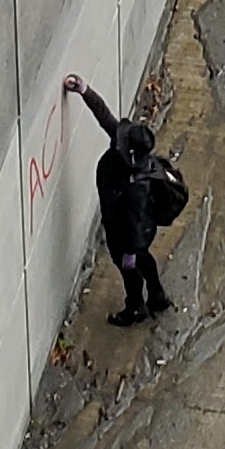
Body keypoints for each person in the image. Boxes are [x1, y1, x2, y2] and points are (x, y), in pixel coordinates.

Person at [60, 76, 184, 325]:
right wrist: (85, 91)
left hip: (129, 234)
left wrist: (128, 252)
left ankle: (136, 306)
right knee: (143, 257)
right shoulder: (128, 156)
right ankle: (157, 296)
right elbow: (106, 118)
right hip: (135, 229)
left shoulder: (135, 188)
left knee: (130, 267)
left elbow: (135, 227)